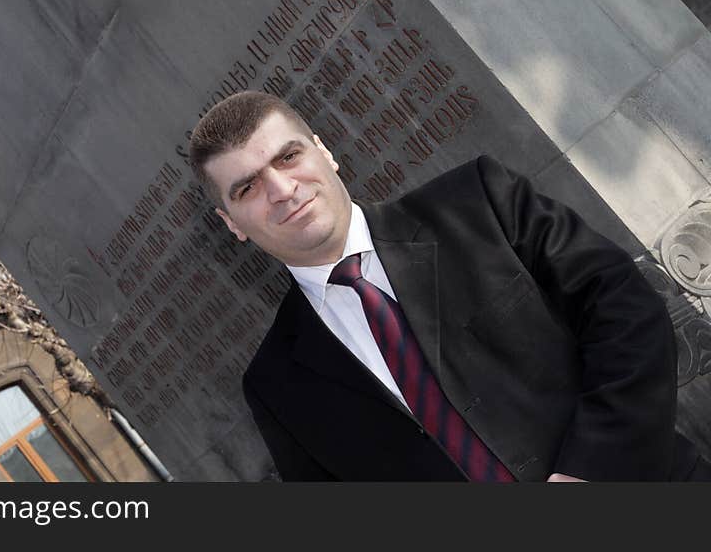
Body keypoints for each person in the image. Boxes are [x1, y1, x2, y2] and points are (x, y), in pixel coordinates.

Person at [188, 90, 707, 481]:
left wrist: (588, 472)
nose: (282, 190)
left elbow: (628, 315)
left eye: (288, 157)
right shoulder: (275, 385)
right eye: (248, 187)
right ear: (231, 221)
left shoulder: (479, 204)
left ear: (325, 152)